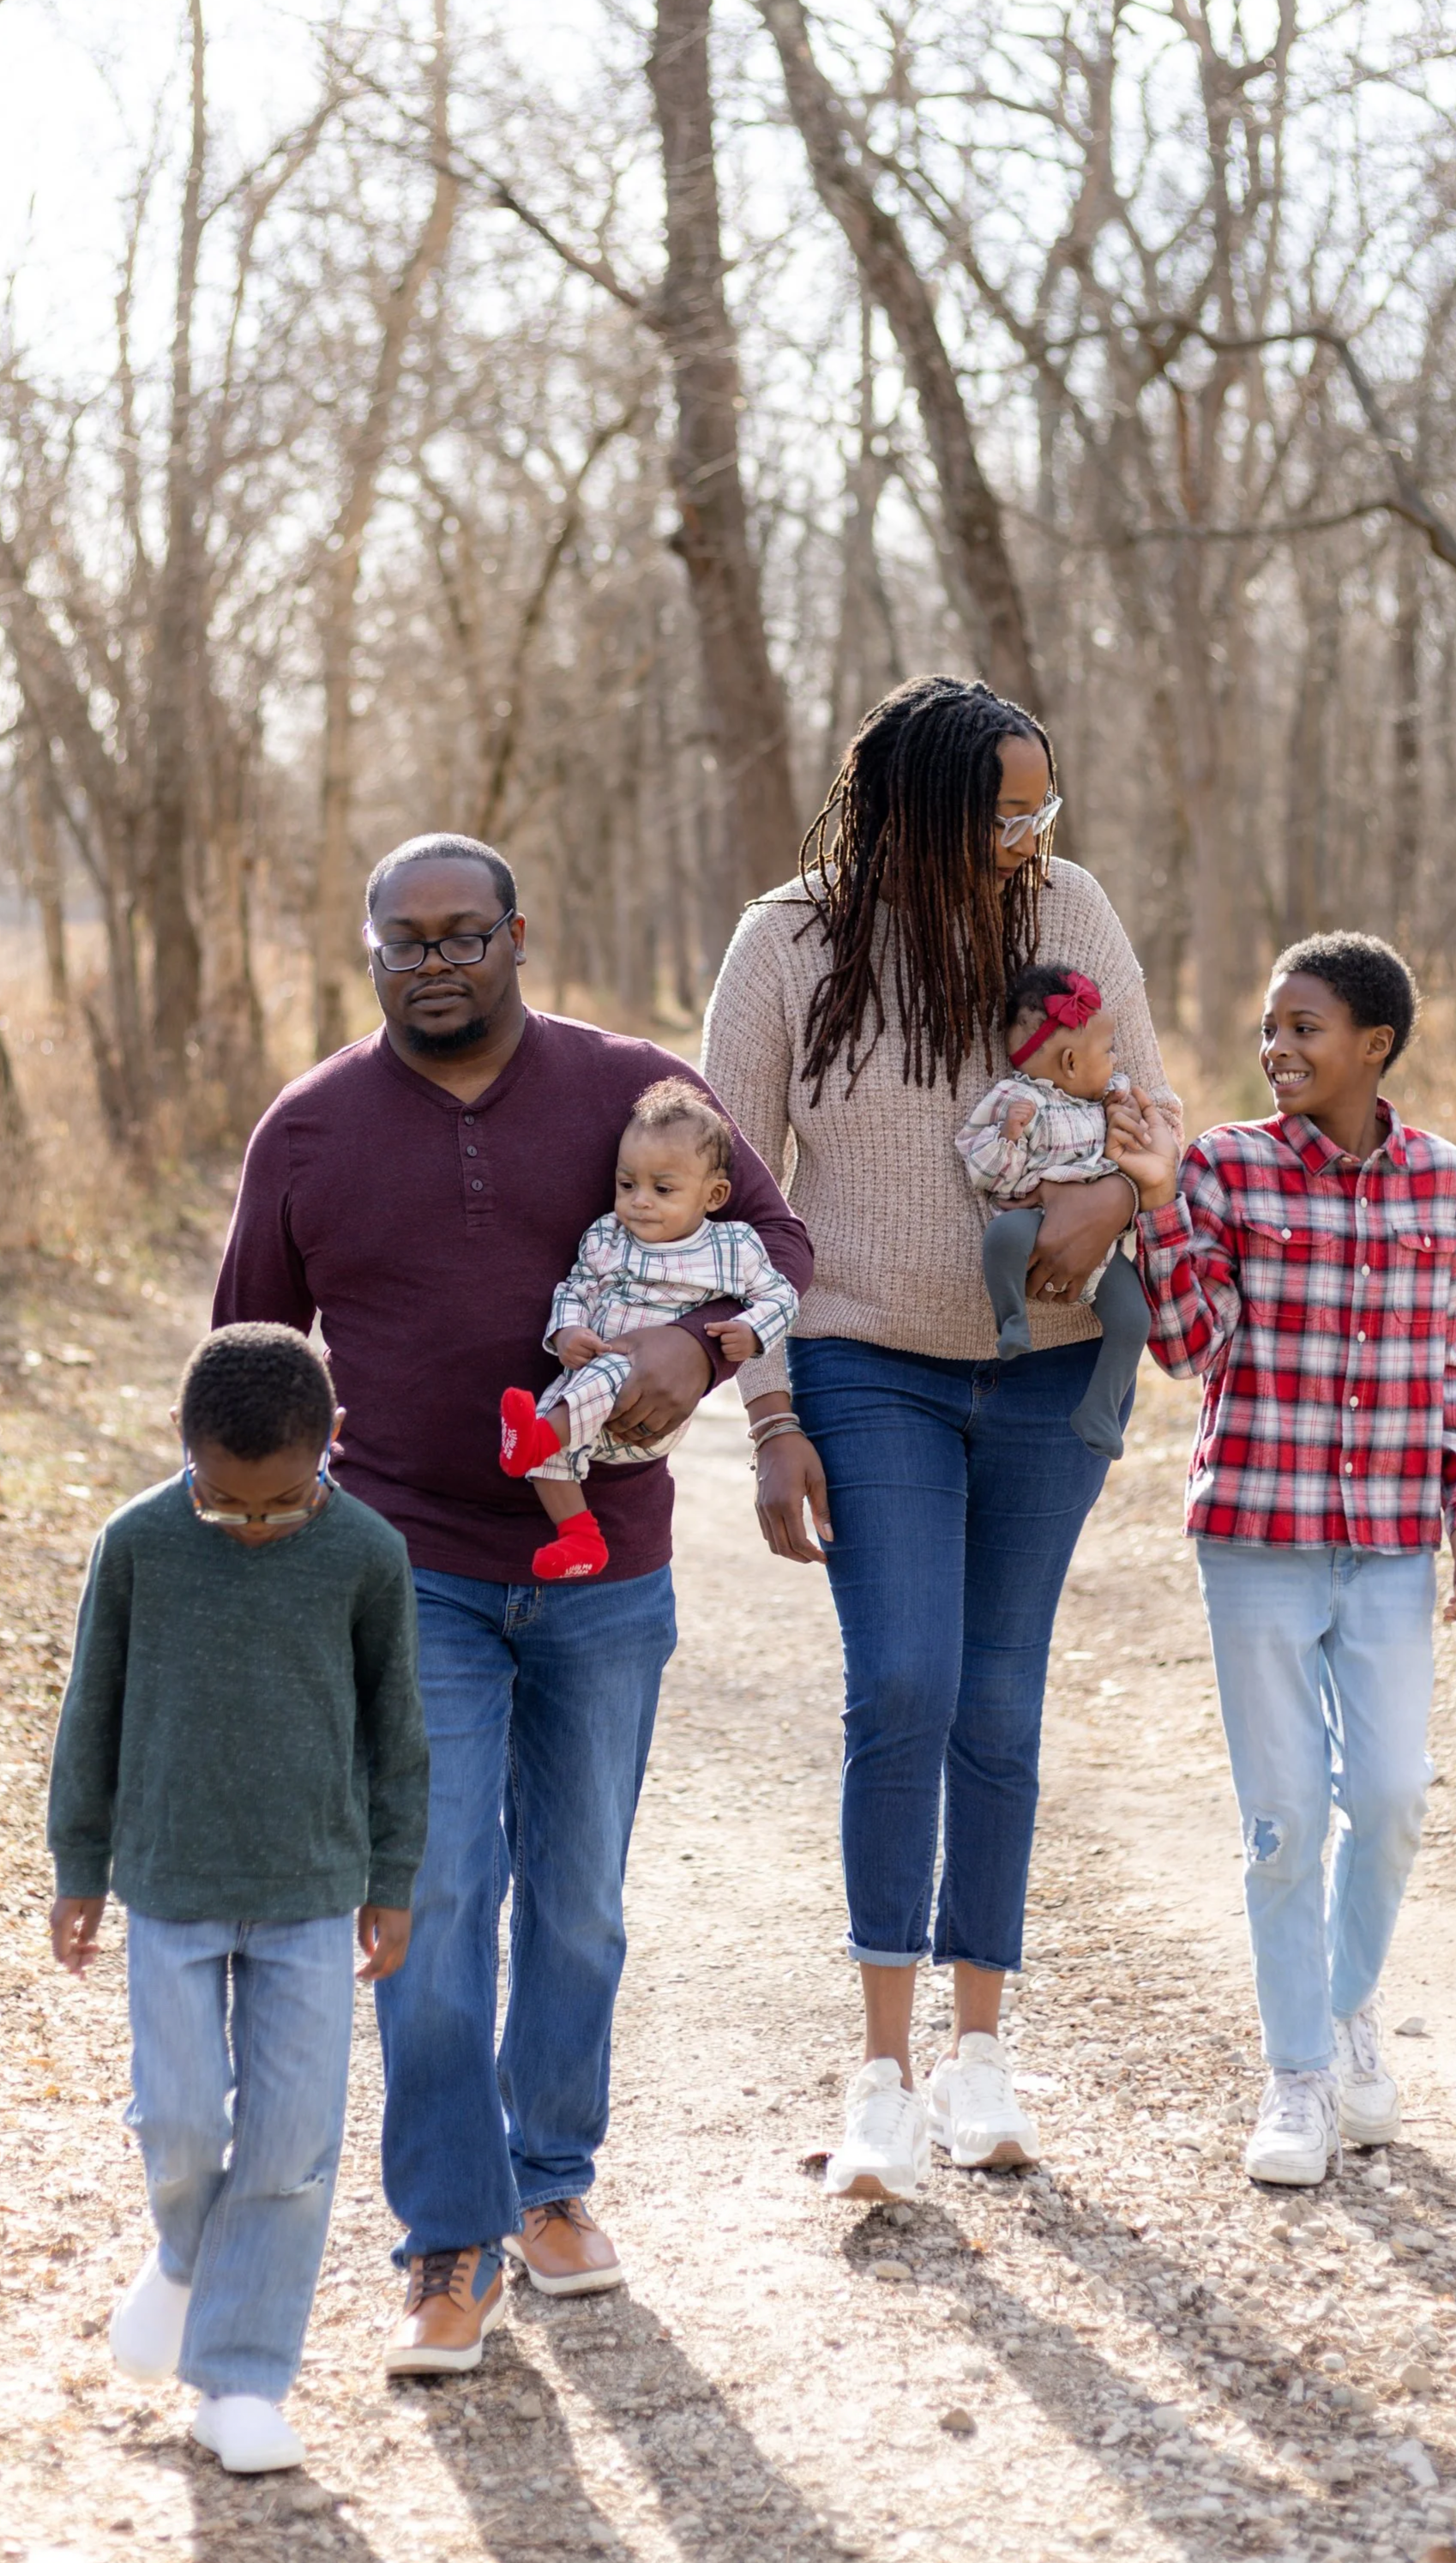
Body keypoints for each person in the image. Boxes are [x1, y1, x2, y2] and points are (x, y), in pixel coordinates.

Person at [213, 835, 809, 2368]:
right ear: (368, 953)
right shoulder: (310, 1129)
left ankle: (552, 2185)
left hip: (606, 1564)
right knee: (427, 1906)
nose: (432, 962)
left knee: (581, 1899)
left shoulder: (634, 1091)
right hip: (408, 1566)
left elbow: (784, 1246)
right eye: (400, 941)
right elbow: (248, 1362)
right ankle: (446, 2243)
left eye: (460, 935)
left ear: (516, 936)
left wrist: (707, 1354)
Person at [701, 673, 1181, 2202]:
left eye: (1044, 805)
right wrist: (769, 1411)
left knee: (999, 1694)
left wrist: (1113, 1190)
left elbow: (1150, 1118)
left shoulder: (1071, 908)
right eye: (1003, 809)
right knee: (901, 1675)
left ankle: (983, 2058)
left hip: (1049, 1365)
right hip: (863, 1359)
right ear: (912, 812)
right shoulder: (787, 942)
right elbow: (727, 1200)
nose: (1030, 834)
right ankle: (881, 2079)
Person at [1116, 932, 1456, 2186]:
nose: (1278, 1047)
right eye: (1270, 1028)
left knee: (1388, 1800)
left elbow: (1449, 1360)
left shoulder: (1441, 1179)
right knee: (1283, 1824)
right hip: (1259, 1538)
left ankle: (1345, 2014)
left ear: (1374, 1046)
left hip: (1391, 1539)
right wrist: (1161, 1200)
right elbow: (1185, 1348)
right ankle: (1295, 2075)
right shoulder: (1224, 1168)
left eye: (1306, 1028)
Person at [45, 1324, 427, 2473]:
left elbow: (396, 1734)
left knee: (293, 2145)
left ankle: (244, 2378)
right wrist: (80, 1864)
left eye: (280, 1504)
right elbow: (91, 1710)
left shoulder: (366, 1553)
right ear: (184, 1452)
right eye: (227, 1504)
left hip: (312, 1889)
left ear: (332, 1447)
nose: (255, 1527)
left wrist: (393, 1880)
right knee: (178, 2124)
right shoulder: (140, 1544)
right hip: (171, 1879)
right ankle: (180, 2257)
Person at [498, 1078, 799, 1579]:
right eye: (626, 1184)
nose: (640, 1201)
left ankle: (537, 1437)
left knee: (619, 1366)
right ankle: (579, 1538)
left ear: (714, 1194)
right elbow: (574, 1287)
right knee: (551, 1449)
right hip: (584, 1395)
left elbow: (781, 1294)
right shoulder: (606, 1236)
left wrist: (753, 1330)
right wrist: (567, 1332)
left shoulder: (729, 1248)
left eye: (663, 1189)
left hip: (648, 1405)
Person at [955, 962, 1151, 1458]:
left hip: (1099, 1243)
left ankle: (1100, 1409)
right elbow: (982, 1170)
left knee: (1133, 1320)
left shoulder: (1108, 1097)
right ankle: (1012, 1319)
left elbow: (1144, 1149)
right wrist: (1009, 1136)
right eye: (1107, 1052)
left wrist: (1128, 1120)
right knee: (1001, 1240)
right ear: (1069, 1062)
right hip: (1033, 1220)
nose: (1115, 1060)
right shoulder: (1016, 1101)